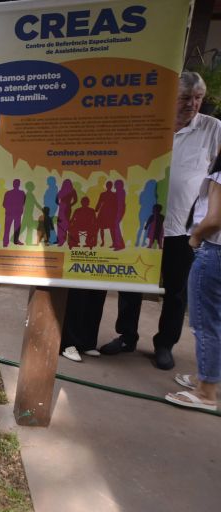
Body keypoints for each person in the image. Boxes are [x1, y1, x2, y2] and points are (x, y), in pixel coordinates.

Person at [100, 72, 221, 370]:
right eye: (184, 98)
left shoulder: (212, 128)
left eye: (197, 98)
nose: (192, 104)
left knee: (176, 291)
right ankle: (126, 336)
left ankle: (164, 344)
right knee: (131, 283)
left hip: (184, 227)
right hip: (142, 223)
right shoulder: (152, 123)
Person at [166, 154, 221, 411]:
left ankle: (206, 392)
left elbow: (214, 219)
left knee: (205, 322)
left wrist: (195, 238)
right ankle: (206, 376)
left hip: (214, 250)